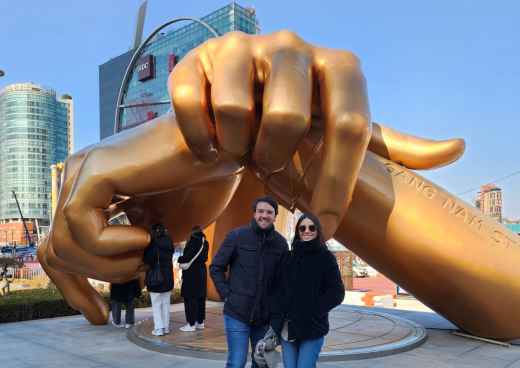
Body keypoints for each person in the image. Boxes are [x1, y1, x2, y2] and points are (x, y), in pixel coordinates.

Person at [210, 196, 288, 368]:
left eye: (269, 212)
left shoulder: (281, 244)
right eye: (260, 211)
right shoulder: (237, 236)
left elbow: (282, 283)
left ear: (275, 216)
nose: (264, 216)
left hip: (264, 318)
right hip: (237, 314)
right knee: (237, 362)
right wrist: (227, 295)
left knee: (261, 363)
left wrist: (276, 314)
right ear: (254, 214)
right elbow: (216, 267)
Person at [268, 213, 345, 368]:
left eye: (311, 227)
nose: (307, 231)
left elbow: (337, 292)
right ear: (298, 231)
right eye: (302, 228)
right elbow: (278, 290)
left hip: (313, 328)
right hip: (287, 329)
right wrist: (277, 315)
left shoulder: (326, 258)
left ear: (317, 231)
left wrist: (314, 310)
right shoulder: (288, 257)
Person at [143, 223, 174, 336]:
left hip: (156, 278)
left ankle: (159, 329)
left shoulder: (153, 243)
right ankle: (166, 327)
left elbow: (147, 260)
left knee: (156, 305)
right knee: (166, 304)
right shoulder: (169, 242)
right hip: (168, 277)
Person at [178, 225, 209, 332]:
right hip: (202, 271)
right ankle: (200, 322)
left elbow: (187, 257)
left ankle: (191, 324)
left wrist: (179, 258)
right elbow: (205, 257)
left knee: (190, 298)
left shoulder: (193, 241)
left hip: (192, 273)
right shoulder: (205, 242)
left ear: (192, 232)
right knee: (200, 298)